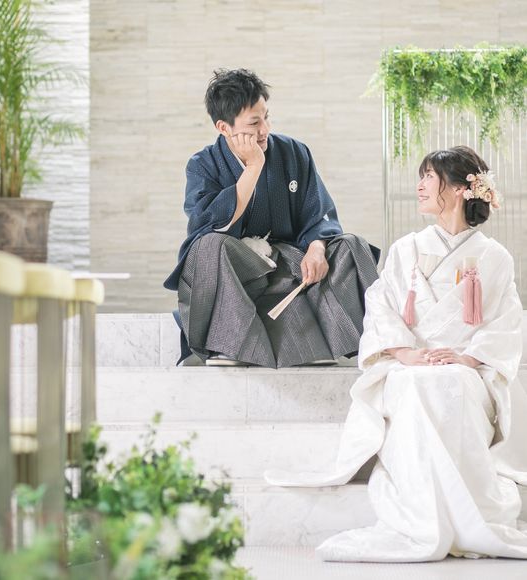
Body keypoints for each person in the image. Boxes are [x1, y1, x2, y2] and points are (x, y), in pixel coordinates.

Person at [265, 145, 527, 560]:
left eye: (429, 177)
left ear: (458, 189)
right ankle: (422, 511)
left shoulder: (494, 257)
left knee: (451, 383)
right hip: (409, 361)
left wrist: (467, 358)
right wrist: (404, 353)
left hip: (466, 368)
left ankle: (459, 512)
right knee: (414, 384)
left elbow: (506, 321)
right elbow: (382, 305)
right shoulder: (407, 248)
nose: (419, 186)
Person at [164, 68, 380, 368]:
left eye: (266, 118)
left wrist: (317, 248)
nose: (264, 129)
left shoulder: (294, 152)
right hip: (237, 271)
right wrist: (253, 168)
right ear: (224, 127)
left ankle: (361, 342)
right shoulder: (202, 165)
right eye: (254, 123)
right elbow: (209, 226)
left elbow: (318, 213)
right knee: (209, 247)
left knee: (350, 246)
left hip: (291, 266)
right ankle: (229, 345)